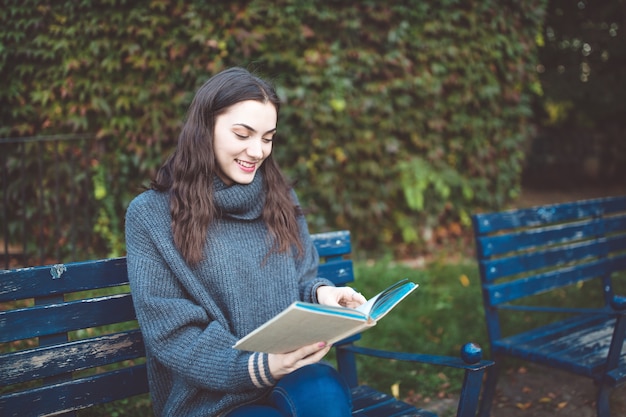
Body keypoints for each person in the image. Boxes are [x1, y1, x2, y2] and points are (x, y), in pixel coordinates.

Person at [125, 67, 367, 417]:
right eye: (242, 134)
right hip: (210, 401)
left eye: (268, 138)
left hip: (290, 375)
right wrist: (260, 366)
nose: (257, 151)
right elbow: (173, 332)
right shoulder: (151, 215)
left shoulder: (280, 196)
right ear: (204, 129)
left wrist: (322, 295)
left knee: (325, 392)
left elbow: (301, 279)